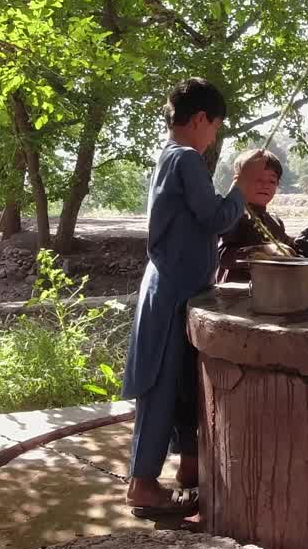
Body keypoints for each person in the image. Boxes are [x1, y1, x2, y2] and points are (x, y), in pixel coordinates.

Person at [122, 78, 244, 518]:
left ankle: (178, 470)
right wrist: (241, 188)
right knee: (159, 385)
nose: (215, 135)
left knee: (172, 385)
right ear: (199, 120)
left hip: (167, 285)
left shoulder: (170, 158)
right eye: (216, 126)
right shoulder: (189, 159)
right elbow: (215, 218)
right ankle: (142, 483)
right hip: (172, 289)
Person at [217, 149, 294, 284]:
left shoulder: (275, 222)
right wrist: (259, 251)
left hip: (273, 293)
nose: (265, 185)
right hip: (235, 296)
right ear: (239, 180)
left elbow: (291, 251)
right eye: (258, 179)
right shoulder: (232, 216)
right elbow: (222, 255)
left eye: (271, 181)